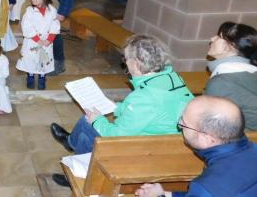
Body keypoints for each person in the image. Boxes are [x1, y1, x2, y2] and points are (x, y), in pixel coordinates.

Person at [49, 34, 194, 186]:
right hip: (169, 145)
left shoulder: (143, 99)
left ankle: (77, 175)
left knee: (89, 126)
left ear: (137, 63)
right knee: (89, 123)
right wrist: (118, 107)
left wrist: (97, 120)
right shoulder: (172, 78)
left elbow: (117, 136)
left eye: (125, 59)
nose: (125, 64)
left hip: (146, 151)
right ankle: (71, 143)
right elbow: (152, 109)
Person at [204, 22, 257, 130]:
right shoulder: (255, 71)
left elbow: (210, 125)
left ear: (230, 46)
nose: (212, 39)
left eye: (218, 37)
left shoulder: (222, 82)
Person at [17, 0, 60, 90]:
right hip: (32, 41)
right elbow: (26, 26)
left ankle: (42, 77)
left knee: (43, 60)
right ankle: (30, 76)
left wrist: (49, 39)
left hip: (46, 42)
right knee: (30, 59)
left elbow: (55, 25)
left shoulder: (52, 11)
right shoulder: (29, 11)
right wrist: (37, 39)